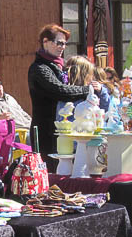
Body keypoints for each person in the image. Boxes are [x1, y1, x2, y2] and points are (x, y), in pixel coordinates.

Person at [28, 24, 98, 163]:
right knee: (50, 170)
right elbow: (60, 91)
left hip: (63, 128)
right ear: (45, 42)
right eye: (59, 43)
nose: (62, 47)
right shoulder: (39, 68)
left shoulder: (59, 66)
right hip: (46, 131)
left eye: (65, 44)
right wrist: (87, 90)